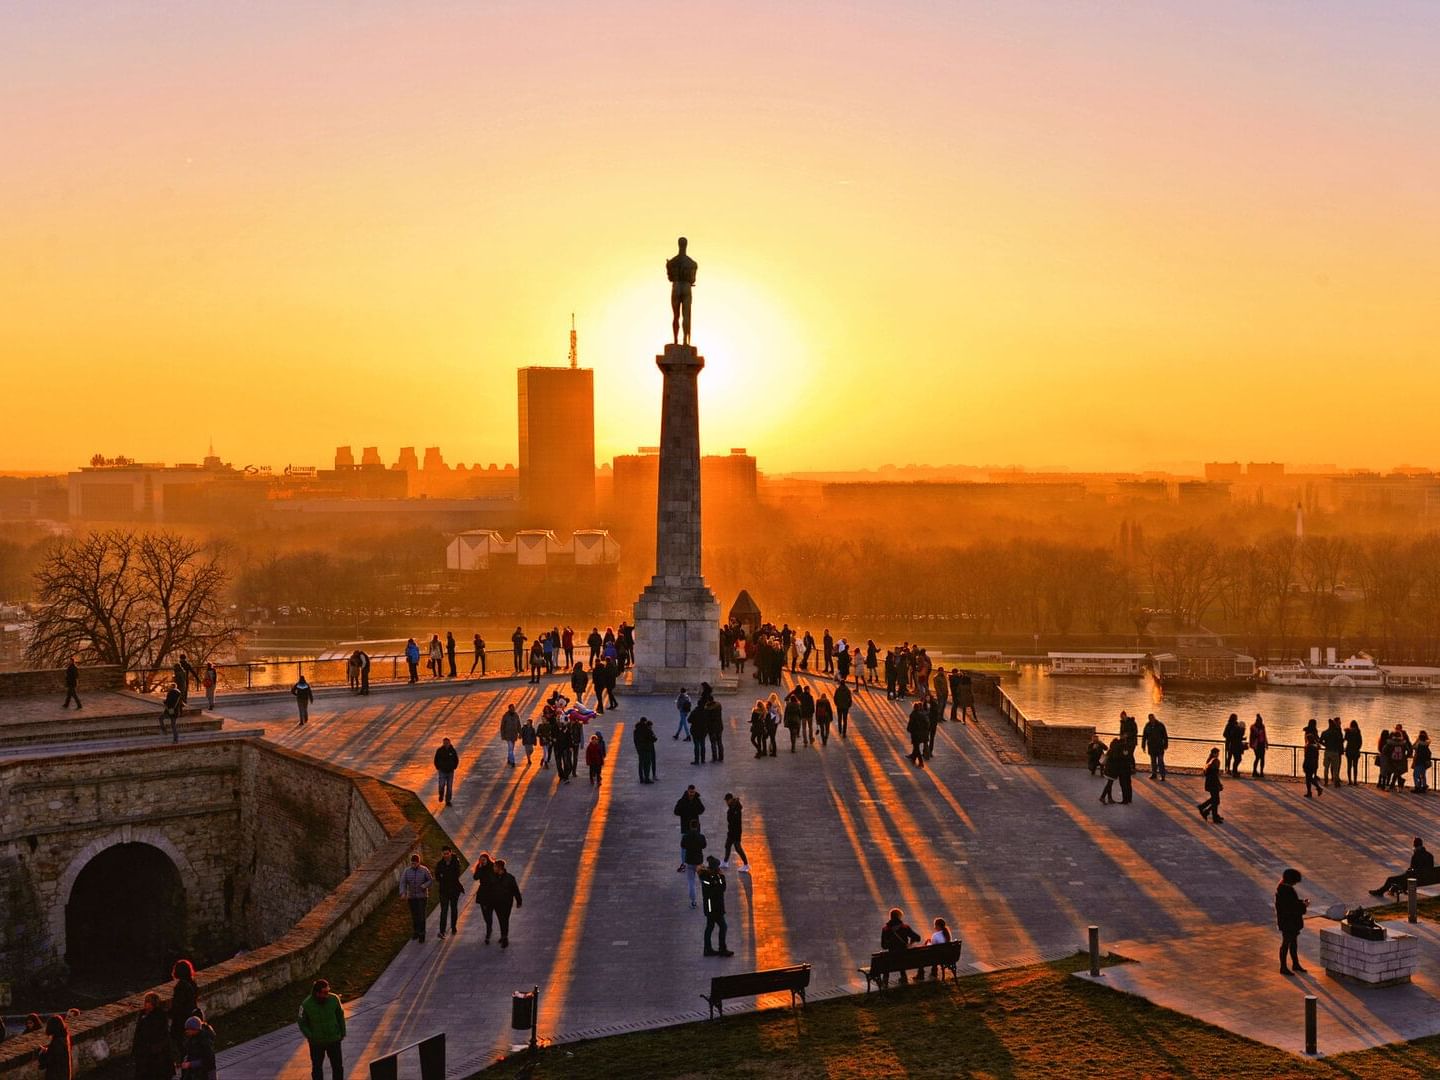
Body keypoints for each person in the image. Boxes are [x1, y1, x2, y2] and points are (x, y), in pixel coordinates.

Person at [298, 978, 347, 1080]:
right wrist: (311, 1036)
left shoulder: (334, 999)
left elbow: (340, 1016)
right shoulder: (306, 1004)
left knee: (338, 1067)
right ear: (317, 993)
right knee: (317, 1069)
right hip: (317, 1043)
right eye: (324, 992)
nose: (327, 994)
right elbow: (302, 1022)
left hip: (334, 1039)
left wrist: (342, 1032)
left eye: (328, 991)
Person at [1370, 837, 1437, 898]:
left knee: (1390, 879)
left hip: (1415, 879)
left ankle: (1380, 892)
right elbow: (1429, 868)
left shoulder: (1416, 856)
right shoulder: (1430, 855)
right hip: (1426, 879)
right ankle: (1388, 890)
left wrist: (1408, 871)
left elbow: (1412, 869)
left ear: (1414, 846)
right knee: (1397, 879)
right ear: (1422, 845)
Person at [1275, 868, 1309, 975]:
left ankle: (1295, 964)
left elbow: (1291, 903)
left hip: (1287, 921)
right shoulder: (1287, 890)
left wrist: (1301, 903)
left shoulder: (1282, 888)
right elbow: (1291, 907)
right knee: (1286, 944)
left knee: (1292, 943)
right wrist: (1303, 905)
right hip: (1289, 922)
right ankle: (1284, 967)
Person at [699, 856, 734, 957]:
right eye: (718, 867)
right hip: (713, 908)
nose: (719, 869)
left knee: (710, 927)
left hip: (715, 907)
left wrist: (720, 878)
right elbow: (718, 890)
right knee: (722, 926)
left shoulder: (713, 876)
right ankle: (721, 949)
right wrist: (721, 878)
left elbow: (721, 888)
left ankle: (708, 949)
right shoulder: (707, 878)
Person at [132, 991, 171, 1079]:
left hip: (154, 1052)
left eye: (147, 1002)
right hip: (143, 1050)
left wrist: (154, 1048)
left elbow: (161, 1034)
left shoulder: (159, 1016)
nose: (145, 1004)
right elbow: (138, 1033)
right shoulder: (143, 1014)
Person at [880, 908, 922, 986]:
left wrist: (891, 943)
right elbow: (918, 938)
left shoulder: (885, 929)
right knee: (901, 957)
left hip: (891, 959)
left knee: (888, 959)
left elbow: (884, 946)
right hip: (905, 958)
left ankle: (885, 980)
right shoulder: (905, 927)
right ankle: (903, 977)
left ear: (890, 917)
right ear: (899, 917)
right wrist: (910, 944)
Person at [487, 858, 522, 947]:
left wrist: (519, 901)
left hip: (507, 903)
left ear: (500, 868)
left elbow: (515, 890)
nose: (493, 868)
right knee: (501, 919)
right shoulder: (492, 877)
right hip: (496, 903)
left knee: (504, 919)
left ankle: (504, 936)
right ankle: (504, 935)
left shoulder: (510, 878)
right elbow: (489, 890)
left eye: (495, 867)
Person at [400, 853, 433, 943]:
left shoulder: (424, 870)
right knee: (414, 915)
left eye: (415, 863)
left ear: (418, 862)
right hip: (412, 897)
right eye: (412, 863)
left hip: (422, 897)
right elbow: (403, 882)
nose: (413, 865)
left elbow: (430, 880)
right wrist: (403, 892)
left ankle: (422, 934)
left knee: (421, 915)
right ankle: (416, 932)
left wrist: (424, 885)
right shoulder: (407, 871)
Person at [169, 959, 199, 1056]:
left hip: (181, 1020)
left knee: (181, 1045)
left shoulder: (180, 987)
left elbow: (178, 1006)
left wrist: (169, 1013)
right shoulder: (193, 984)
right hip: (191, 1016)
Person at [434, 846, 464, 939]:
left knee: (453, 909)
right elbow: (437, 876)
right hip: (444, 891)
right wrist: (443, 876)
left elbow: (455, 875)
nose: (446, 855)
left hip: (454, 890)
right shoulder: (440, 864)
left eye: (447, 853)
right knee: (444, 911)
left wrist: (444, 876)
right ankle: (442, 931)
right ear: (442, 854)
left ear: (450, 853)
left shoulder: (456, 862)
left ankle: (453, 926)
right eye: (444, 854)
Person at [471, 852, 499, 943]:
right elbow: (475, 877)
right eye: (480, 860)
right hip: (483, 893)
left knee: (489, 912)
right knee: (485, 914)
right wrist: (479, 868)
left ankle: (488, 932)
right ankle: (489, 927)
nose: (482, 862)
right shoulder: (480, 868)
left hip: (491, 893)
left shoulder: (493, 866)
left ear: (487, 859)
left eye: (483, 860)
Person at [675, 785, 705, 868]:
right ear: (688, 791)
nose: (692, 794)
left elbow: (702, 809)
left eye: (693, 792)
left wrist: (695, 809)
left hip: (695, 827)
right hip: (685, 827)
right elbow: (676, 811)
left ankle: (697, 861)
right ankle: (684, 863)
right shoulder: (682, 801)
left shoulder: (697, 800)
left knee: (696, 845)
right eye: (690, 792)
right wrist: (684, 812)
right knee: (684, 846)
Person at [722, 792, 751, 872]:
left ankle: (746, 865)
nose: (726, 802)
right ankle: (725, 862)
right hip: (731, 830)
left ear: (730, 799)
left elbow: (735, 820)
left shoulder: (735, 808)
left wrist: (731, 815)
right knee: (727, 845)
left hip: (736, 831)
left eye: (727, 800)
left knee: (738, 848)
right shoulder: (732, 806)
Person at [681, 825, 707, 908]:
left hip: (690, 861)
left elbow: (682, 846)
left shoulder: (686, 837)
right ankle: (707, 898)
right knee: (703, 881)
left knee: (691, 882)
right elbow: (704, 846)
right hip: (699, 861)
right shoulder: (701, 836)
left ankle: (693, 902)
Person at [1197, 747, 1224, 823]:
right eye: (1217, 753)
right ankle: (1211, 815)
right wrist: (1219, 784)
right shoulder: (1215, 761)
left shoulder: (1209, 761)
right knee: (1216, 800)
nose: (1218, 754)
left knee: (1214, 800)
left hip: (1210, 783)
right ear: (1214, 753)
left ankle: (1206, 810)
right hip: (1213, 783)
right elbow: (1215, 775)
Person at [1141, 713, 1168, 780]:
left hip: (1159, 747)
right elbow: (1144, 736)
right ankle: (1154, 774)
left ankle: (1162, 775)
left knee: (1160, 762)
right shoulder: (1147, 726)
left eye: (1152, 718)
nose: (1151, 720)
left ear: (1154, 718)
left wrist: (1166, 744)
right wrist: (1143, 745)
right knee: (1153, 762)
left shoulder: (1160, 725)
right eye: (1150, 719)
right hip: (1151, 747)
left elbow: (1165, 736)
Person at [433, 737, 459, 805]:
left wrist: (454, 767)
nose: (446, 744)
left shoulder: (452, 750)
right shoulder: (440, 750)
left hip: (450, 771)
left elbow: (456, 759)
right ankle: (441, 795)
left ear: (449, 743)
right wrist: (438, 767)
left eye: (447, 743)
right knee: (441, 784)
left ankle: (448, 801)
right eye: (445, 743)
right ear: (443, 743)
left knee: (449, 787)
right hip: (442, 771)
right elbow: (436, 759)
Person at [634, 716, 659, 783]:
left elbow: (635, 741)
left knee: (641, 763)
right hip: (647, 748)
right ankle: (647, 778)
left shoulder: (636, 730)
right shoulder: (647, 730)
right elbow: (654, 739)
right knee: (647, 764)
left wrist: (637, 748)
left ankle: (641, 778)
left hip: (640, 749)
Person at [1321, 717, 1344, 787]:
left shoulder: (1324, 732)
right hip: (1335, 752)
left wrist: (1326, 745)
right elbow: (1340, 742)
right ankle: (1336, 782)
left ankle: (1326, 782)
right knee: (1336, 768)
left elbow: (1320, 741)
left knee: (1326, 767)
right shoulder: (1336, 733)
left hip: (1327, 751)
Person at [906, 701, 928, 767]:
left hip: (915, 734)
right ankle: (913, 758)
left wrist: (909, 730)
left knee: (916, 748)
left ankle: (921, 762)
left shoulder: (913, 715)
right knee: (916, 747)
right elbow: (927, 724)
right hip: (921, 734)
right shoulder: (922, 715)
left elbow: (910, 725)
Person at [1302, 730, 1323, 798]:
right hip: (1313, 764)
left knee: (1308, 779)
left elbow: (1307, 757)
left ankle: (1314, 790)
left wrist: (1304, 765)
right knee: (1309, 778)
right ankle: (1311, 791)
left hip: (1308, 764)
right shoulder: (1315, 746)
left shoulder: (1309, 747)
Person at [1344, 719, 1364, 785]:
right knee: (1355, 766)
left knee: (1349, 766)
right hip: (1355, 751)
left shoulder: (1348, 732)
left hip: (1349, 751)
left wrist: (1346, 731)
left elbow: (1345, 739)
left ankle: (1349, 781)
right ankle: (1355, 781)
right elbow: (1360, 742)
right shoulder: (1358, 732)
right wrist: (1357, 748)